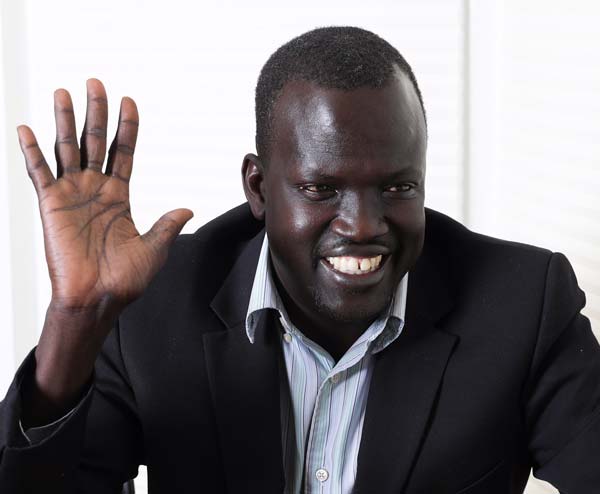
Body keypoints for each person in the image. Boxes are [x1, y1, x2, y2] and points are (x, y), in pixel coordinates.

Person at [1, 26, 599, 494]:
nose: (364, 226)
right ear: (258, 188)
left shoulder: (524, 305)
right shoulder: (155, 300)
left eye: (397, 188)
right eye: (321, 189)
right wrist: (76, 319)